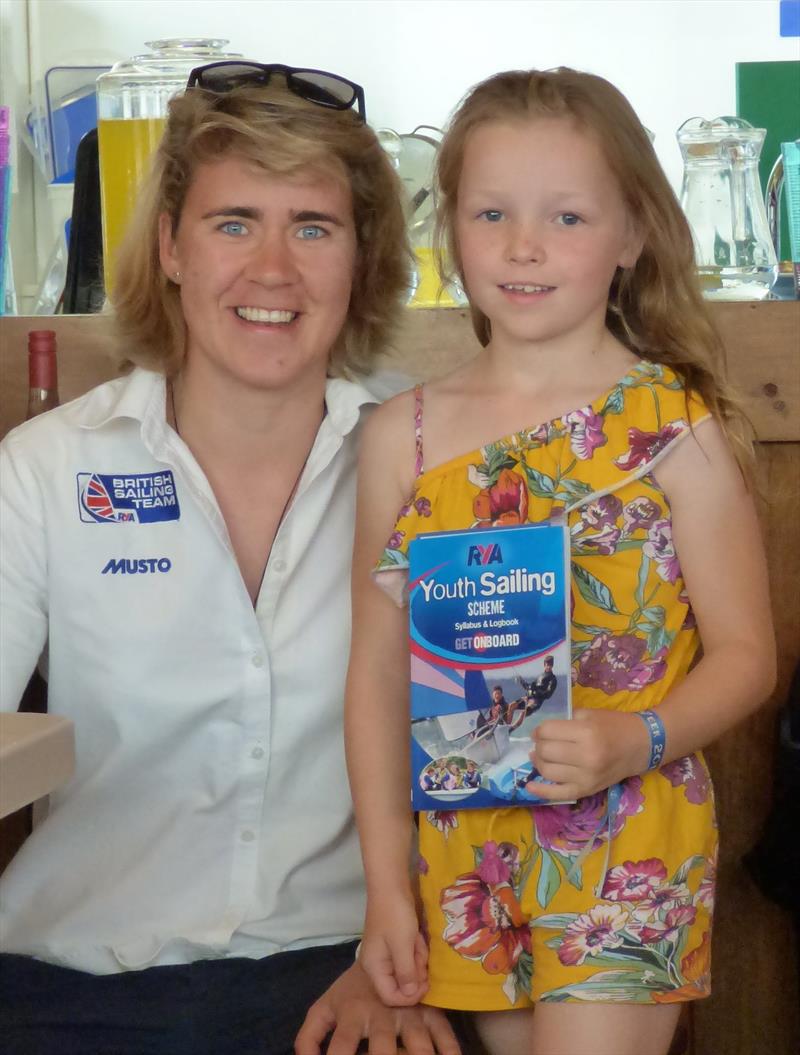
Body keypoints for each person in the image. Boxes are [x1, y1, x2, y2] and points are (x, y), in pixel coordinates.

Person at [0, 63, 460, 1055]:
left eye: (312, 226)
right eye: (232, 221)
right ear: (169, 245)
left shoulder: (436, 467)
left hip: (342, 979)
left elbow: (488, 750)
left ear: (362, 255)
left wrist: (401, 957)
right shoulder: (45, 469)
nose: (272, 269)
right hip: (71, 980)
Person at [344, 68, 775, 1055]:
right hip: (465, 852)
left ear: (629, 236)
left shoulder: (672, 427)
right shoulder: (399, 439)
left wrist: (642, 736)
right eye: (489, 211)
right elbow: (373, 679)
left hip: (629, 837)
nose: (522, 245)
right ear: (449, 226)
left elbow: (747, 654)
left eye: (566, 216)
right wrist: (383, 887)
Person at [507, 655, 558, 730]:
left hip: (536, 702)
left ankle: (511, 729)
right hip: (528, 698)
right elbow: (529, 688)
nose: (548, 667)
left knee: (523, 712)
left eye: (550, 665)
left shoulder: (553, 679)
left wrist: (536, 693)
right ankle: (505, 727)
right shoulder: (540, 676)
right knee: (511, 706)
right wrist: (521, 680)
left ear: (552, 666)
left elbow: (548, 695)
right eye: (547, 665)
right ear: (544, 665)